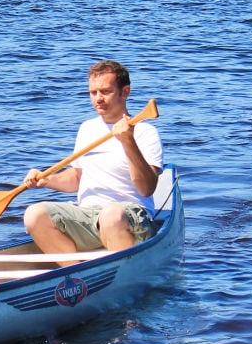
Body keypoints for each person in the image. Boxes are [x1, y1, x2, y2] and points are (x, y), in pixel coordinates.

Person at [22, 60, 163, 254]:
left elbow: (147, 188)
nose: (98, 99)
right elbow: (78, 178)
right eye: (93, 92)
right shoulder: (87, 128)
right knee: (34, 214)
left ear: (125, 92)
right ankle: (74, 276)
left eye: (105, 92)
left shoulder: (145, 132)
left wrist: (128, 142)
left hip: (129, 215)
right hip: (88, 216)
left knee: (111, 216)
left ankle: (123, 273)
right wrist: (47, 180)